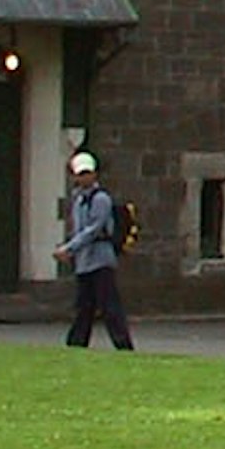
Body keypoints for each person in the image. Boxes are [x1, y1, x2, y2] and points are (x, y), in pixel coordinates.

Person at [62, 150, 134, 351]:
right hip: (85, 261)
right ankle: (76, 342)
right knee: (84, 306)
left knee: (110, 306)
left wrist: (70, 248)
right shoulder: (78, 200)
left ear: (94, 174)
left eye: (87, 173)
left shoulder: (101, 199)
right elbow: (78, 229)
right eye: (80, 174)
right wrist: (73, 252)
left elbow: (93, 229)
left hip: (101, 260)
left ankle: (123, 344)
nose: (84, 177)